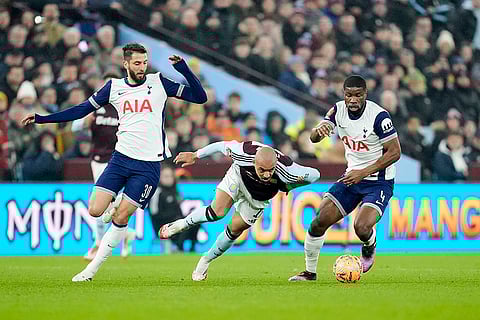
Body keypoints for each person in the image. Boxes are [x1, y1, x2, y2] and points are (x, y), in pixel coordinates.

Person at [22, 42, 207, 281]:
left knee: (120, 218)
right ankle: (118, 200)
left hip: (148, 165)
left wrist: (184, 70)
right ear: (126, 64)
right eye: (137, 63)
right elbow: (80, 110)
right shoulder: (114, 87)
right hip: (120, 159)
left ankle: (90, 271)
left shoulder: (159, 82)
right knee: (95, 210)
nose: (142, 67)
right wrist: (42, 118)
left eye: (144, 62)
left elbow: (200, 98)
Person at [289, 75, 401, 281]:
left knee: (361, 227)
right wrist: (317, 132)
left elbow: (395, 152)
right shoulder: (337, 110)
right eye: (349, 95)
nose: (353, 100)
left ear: (365, 95)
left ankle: (370, 244)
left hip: (379, 182)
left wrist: (364, 172)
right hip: (351, 178)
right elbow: (313, 138)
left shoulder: (379, 116)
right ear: (344, 94)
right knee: (318, 221)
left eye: (358, 95)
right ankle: (309, 272)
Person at [160, 140, 320, 281]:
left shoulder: (287, 169)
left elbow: (315, 175)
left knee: (234, 230)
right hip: (238, 177)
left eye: (270, 170)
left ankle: (205, 260)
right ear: (255, 162)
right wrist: (196, 155)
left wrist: (293, 184)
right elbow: (220, 145)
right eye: (262, 170)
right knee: (217, 212)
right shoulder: (243, 152)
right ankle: (181, 224)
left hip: (258, 198)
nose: (266, 174)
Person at [71, 72, 136, 261]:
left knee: (106, 203)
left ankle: (99, 243)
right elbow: (74, 127)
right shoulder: (95, 106)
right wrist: (85, 121)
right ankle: (123, 234)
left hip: (119, 160)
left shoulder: (126, 107)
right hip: (98, 161)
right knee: (104, 204)